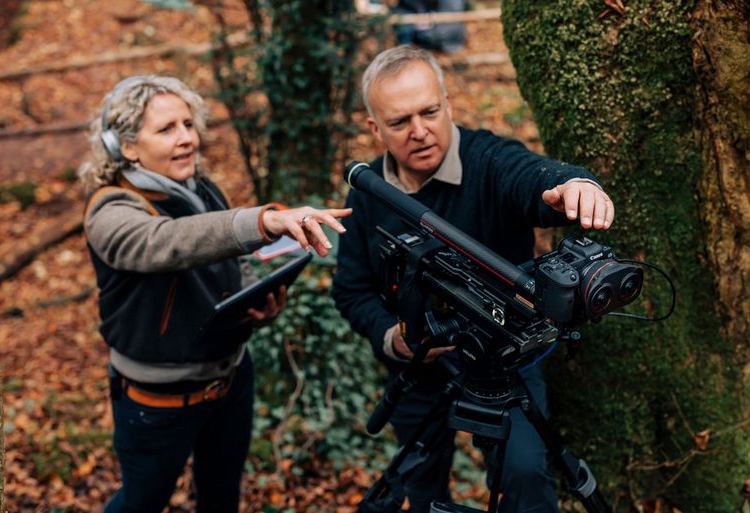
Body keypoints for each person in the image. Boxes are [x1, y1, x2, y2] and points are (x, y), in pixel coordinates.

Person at [331, 46, 614, 513]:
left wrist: (574, 186)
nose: (420, 132)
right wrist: (394, 338)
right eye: (400, 122)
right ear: (374, 128)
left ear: (447, 103)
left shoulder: (487, 160)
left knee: (525, 475)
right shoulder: (368, 195)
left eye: (429, 111)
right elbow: (352, 289)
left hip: (505, 361)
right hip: (419, 367)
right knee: (418, 484)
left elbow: (533, 179)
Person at [80, 75, 351, 513]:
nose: (187, 138)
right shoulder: (110, 210)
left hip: (230, 381)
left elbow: (232, 265)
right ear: (126, 147)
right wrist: (262, 222)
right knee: (142, 501)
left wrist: (257, 305)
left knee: (222, 496)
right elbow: (169, 242)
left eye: (188, 124)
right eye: (166, 129)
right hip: (157, 399)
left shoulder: (201, 189)